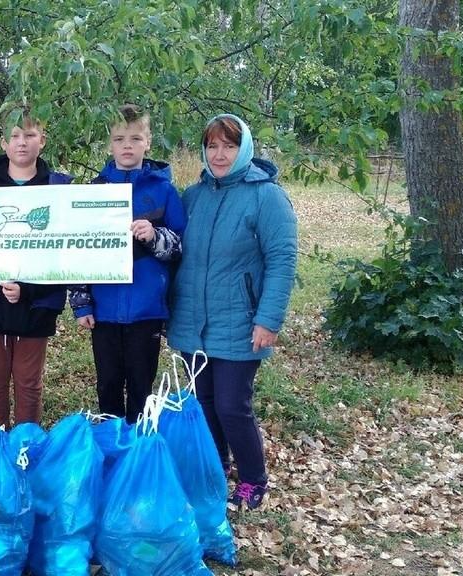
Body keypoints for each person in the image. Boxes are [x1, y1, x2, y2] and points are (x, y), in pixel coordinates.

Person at [167, 114, 298, 510]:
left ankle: (254, 479)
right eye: (212, 145)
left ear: (244, 149)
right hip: (194, 321)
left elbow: (282, 259)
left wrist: (268, 319)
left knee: (231, 405)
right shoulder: (193, 196)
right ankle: (215, 467)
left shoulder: (266, 196)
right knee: (203, 402)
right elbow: (175, 255)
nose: (219, 154)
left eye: (228, 145)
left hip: (241, 323)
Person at [69, 104, 186, 423]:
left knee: (140, 386)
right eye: (120, 139)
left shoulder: (163, 190)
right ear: (110, 144)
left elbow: (179, 246)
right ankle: (111, 450)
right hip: (105, 309)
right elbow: (79, 250)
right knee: (107, 385)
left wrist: (154, 235)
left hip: (146, 309)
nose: (127, 146)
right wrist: (82, 304)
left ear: (148, 141)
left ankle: (136, 453)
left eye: (135, 138)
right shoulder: (95, 191)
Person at [0, 111, 73, 428]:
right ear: (3, 143)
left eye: (30, 134)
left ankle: (25, 446)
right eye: (15, 136)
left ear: (42, 140)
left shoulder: (57, 187)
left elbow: (67, 254)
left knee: (28, 381)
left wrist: (30, 289)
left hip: (37, 299)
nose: (22, 142)